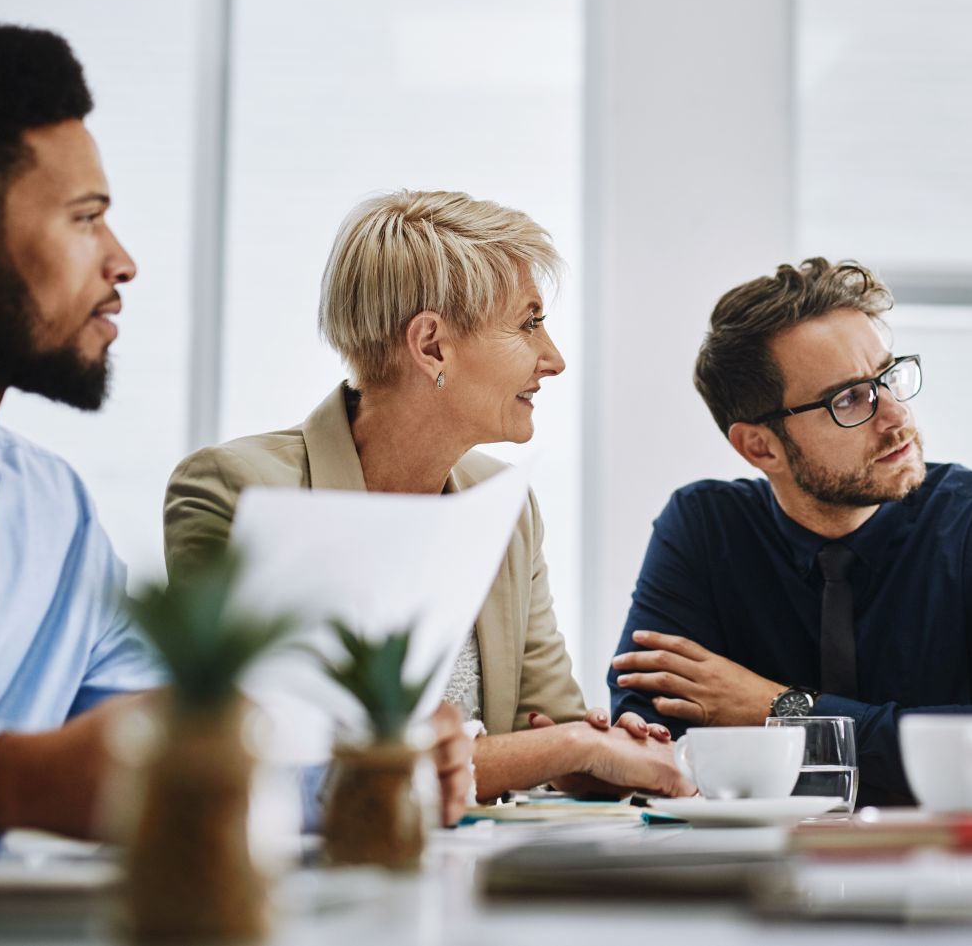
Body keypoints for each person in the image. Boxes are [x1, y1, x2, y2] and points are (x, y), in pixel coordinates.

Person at [0, 22, 463, 848]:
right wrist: (14, 778)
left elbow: (163, 740)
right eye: (86, 219)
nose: (123, 262)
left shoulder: (51, 512)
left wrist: (358, 771)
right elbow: (51, 773)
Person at [165, 191, 690, 801]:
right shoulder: (236, 488)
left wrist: (596, 755)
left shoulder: (506, 504)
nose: (555, 359)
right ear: (432, 345)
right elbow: (266, 757)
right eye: (529, 323)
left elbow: (548, 723)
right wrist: (565, 748)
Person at [608, 258, 972, 807]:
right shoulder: (705, 527)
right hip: (752, 876)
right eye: (849, 399)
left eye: (888, 375)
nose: (896, 415)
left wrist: (779, 709)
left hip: (949, 878)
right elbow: (650, 741)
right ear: (761, 446)